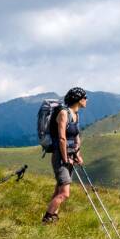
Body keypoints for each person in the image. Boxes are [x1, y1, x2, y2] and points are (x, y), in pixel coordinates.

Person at [42, 87, 87, 224]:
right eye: (85, 97)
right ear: (78, 99)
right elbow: (62, 138)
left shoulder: (76, 114)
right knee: (65, 193)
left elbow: (76, 137)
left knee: (59, 190)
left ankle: (53, 217)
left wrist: (78, 155)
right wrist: (65, 158)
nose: (86, 100)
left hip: (70, 156)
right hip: (60, 157)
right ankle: (47, 219)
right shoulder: (63, 113)